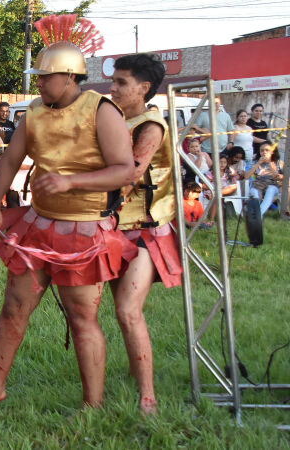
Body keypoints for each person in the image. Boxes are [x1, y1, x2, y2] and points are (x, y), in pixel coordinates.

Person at [0, 14, 136, 414]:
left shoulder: (102, 110)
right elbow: (9, 161)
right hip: (37, 228)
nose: (38, 84)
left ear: (70, 77)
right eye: (38, 77)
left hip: (84, 229)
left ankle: (92, 404)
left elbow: (124, 169)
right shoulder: (35, 112)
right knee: (13, 307)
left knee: (82, 317)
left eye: (45, 77)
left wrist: (69, 182)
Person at [108, 53, 182, 414]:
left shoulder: (151, 125)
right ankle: (137, 376)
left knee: (127, 311)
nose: (113, 87)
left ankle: (148, 398)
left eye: (122, 82)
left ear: (144, 88)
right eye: (115, 81)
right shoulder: (118, 119)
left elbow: (129, 177)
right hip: (113, 229)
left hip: (145, 232)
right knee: (121, 311)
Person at [245, 142, 283, 217]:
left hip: (273, 186)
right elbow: (246, 177)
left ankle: (258, 215)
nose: (264, 152)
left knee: (270, 189)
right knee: (253, 191)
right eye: (262, 150)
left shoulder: (278, 163)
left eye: (267, 150)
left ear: (272, 151)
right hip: (258, 186)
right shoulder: (255, 162)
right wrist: (258, 163)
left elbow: (280, 177)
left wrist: (270, 163)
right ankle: (258, 216)